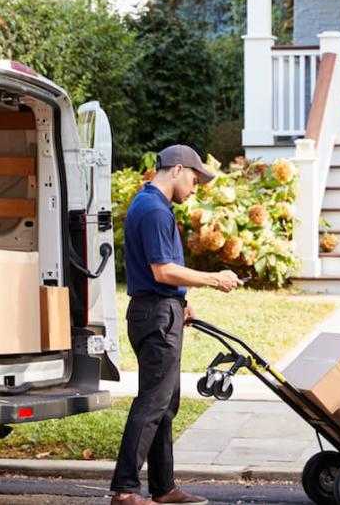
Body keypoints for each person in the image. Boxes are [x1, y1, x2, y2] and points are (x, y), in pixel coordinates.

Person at [110, 145, 241, 505]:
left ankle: (164, 488)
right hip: (155, 316)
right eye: (195, 180)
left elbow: (162, 274)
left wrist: (181, 301)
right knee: (153, 403)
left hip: (160, 310)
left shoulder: (150, 205)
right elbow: (161, 270)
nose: (196, 187)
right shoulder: (153, 210)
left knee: (165, 403)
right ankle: (124, 490)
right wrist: (214, 279)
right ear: (177, 169)